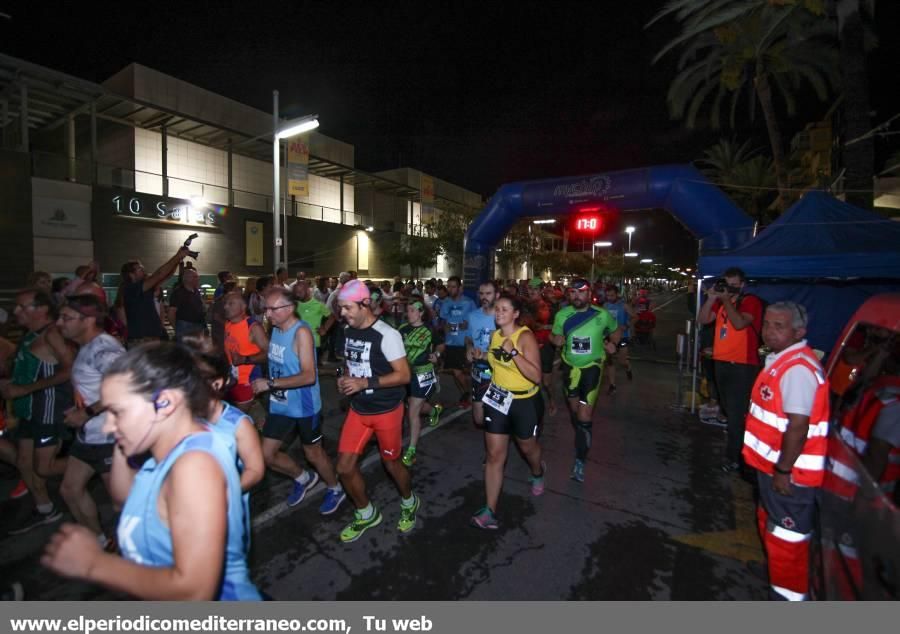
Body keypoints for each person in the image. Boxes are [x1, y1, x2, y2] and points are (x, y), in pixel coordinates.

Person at [41, 342, 261, 600]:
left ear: (165, 403)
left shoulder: (195, 466)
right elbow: (124, 498)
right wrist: (123, 439)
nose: (108, 426)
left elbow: (195, 591)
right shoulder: (163, 450)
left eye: (118, 411)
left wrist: (94, 564)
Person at [741, 302, 829, 601]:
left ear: (799, 331)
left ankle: (788, 596)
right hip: (770, 468)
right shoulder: (783, 360)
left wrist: (783, 470)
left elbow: (798, 426)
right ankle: (772, 570)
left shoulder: (798, 369)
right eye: (767, 324)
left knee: (788, 543)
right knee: (770, 524)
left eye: (779, 326)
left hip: (791, 476)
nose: (769, 331)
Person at [335, 280, 420, 542]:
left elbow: (405, 375)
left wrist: (365, 382)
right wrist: (346, 378)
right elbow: (352, 364)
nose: (342, 314)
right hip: (359, 409)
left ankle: (409, 501)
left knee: (391, 464)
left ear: (365, 304)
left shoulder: (387, 334)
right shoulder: (348, 331)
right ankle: (366, 513)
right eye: (340, 308)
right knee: (344, 468)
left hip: (386, 411)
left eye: (347, 308)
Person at [250, 287, 345, 515]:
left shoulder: (301, 333)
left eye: (273, 309)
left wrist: (270, 384)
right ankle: (303, 478)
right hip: (280, 404)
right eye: (266, 309)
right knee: (266, 454)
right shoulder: (275, 330)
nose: (268, 314)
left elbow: (309, 375)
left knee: (314, 453)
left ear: (289, 308)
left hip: (304, 407)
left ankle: (336, 488)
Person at [1, 289, 75, 534]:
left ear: (42, 309)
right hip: (29, 410)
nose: (16, 311)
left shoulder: (53, 334)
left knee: (44, 467)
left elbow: (69, 370)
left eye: (23, 307)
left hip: (48, 410)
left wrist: (25, 389)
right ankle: (45, 510)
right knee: (24, 462)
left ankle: (98, 462)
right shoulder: (30, 334)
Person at [183, 336, 265, 554]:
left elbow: (255, 470)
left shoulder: (238, 425)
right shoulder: (181, 417)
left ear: (217, 383)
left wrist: (222, 493)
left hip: (224, 520)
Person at [57, 295, 125, 552]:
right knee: (70, 490)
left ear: (88, 321)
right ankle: (101, 542)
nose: (59, 323)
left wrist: (86, 412)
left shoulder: (103, 349)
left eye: (66, 318)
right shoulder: (86, 347)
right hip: (90, 436)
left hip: (112, 438)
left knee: (122, 504)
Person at [471, 295, 546, 529]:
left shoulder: (524, 337)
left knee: (527, 447)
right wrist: (481, 356)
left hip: (524, 402)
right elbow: (496, 362)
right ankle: (489, 511)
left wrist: (514, 353)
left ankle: (538, 470)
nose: (499, 312)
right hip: (498, 399)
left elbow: (536, 376)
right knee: (494, 455)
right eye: (497, 309)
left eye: (505, 309)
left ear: (515, 314)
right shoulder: (495, 336)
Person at [550, 278, 621, 483]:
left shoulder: (602, 314)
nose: (577, 296)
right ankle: (581, 433)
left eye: (581, 292)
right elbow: (553, 336)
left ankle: (580, 460)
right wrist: (556, 339)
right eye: (572, 292)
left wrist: (613, 343)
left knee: (584, 416)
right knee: (575, 413)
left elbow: (617, 331)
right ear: (568, 294)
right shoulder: (562, 314)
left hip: (592, 368)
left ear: (589, 294)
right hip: (570, 369)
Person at [698, 267, 764, 473]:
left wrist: (725, 300)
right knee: (727, 409)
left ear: (742, 284)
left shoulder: (750, 302)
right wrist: (711, 299)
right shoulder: (724, 303)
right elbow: (703, 319)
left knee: (736, 413)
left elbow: (738, 324)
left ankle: (734, 457)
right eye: (726, 284)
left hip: (742, 366)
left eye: (734, 285)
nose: (730, 289)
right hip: (722, 362)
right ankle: (738, 447)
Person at [398, 299, 442, 467]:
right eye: (407, 310)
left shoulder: (429, 329)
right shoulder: (402, 329)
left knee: (413, 412)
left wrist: (436, 355)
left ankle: (411, 450)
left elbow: (440, 344)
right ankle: (433, 411)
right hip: (405, 373)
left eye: (412, 310)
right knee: (412, 406)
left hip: (423, 373)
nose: (408, 313)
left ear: (421, 312)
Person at [120, 245, 190, 346]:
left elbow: (166, 275)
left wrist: (178, 259)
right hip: (141, 341)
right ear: (131, 275)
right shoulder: (131, 288)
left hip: (151, 339)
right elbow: (159, 274)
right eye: (139, 269)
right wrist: (177, 256)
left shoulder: (144, 288)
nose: (143, 269)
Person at [222, 292, 268, 414]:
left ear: (243, 307)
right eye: (225, 303)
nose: (226, 306)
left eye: (231, 303)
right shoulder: (228, 324)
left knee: (238, 419)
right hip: (231, 379)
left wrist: (244, 359)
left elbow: (269, 354)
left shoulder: (253, 327)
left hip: (246, 381)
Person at [465, 281, 500, 429]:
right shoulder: (473, 316)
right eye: (481, 294)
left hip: (498, 373)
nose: (484, 297)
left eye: (488, 293)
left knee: (497, 418)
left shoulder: (502, 317)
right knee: (479, 419)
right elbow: (468, 337)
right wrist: (469, 347)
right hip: (478, 372)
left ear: (497, 295)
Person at [439, 276, 476, 408]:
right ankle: (466, 395)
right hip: (451, 342)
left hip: (464, 342)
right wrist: (445, 328)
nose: (450, 289)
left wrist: (468, 326)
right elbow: (443, 321)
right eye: (448, 286)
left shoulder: (469, 302)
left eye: (453, 286)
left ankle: (468, 394)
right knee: (456, 372)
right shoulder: (446, 302)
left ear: (460, 288)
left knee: (462, 371)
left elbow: (476, 320)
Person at [603, 285, 635, 394]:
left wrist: (626, 325)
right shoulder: (605, 306)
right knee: (610, 360)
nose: (609, 298)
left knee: (621, 361)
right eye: (607, 296)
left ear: (617, 294)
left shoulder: (624, 305)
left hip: (623, 336)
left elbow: (635, 317)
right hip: (609, 336)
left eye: (612, 295)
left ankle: (628, 366)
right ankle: (612, 385)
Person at [293, 279, 336, 359]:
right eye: (296, 292)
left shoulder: (318, 305)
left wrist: (325, 329)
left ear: (307, 290)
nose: (297, 294)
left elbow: (332, 317)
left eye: (300, 291)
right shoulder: (294, 305)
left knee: (311, 368)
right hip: (297, 341)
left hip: (313, 343)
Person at [167, 268, 207, 342]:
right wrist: (177, 328)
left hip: (198, 325)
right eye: (195, 277)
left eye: (197, 277)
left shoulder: (196, 291)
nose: (198, 279)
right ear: (187, 279)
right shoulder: (178, 293)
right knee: (186, 351)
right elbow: (171, 313)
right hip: (185, 326)